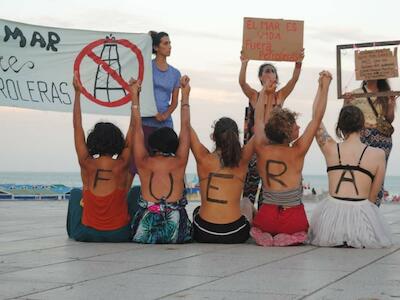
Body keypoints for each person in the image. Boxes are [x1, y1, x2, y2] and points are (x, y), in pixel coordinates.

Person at [251, 71, 331, 247]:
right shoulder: (298, 150)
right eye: (295, 125)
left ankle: (266, 234)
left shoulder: (262, 150)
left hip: (267, 216)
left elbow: (257, 119)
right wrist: (324, 87)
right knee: (302, 229)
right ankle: (291, 236)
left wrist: (264, 91)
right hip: (292, 216)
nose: (299, 126)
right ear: (287, 132)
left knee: (261, 222)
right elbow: (317, 119)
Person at [309, 105, 392, 248]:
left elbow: (316, 118)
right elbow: (372, 198)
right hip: (362, 219)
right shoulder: (378, 154)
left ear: (340, 127)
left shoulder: (330, 148)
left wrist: (324, 85)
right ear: (363, 125)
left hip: (330, 224)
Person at [66, 73, 134, 242]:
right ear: (118, 141)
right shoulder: (122, 163)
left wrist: (77, 93)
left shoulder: (86, 162)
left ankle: (73, 231)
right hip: (120, 234)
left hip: (87, 233)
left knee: (75, 193)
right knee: (135, 192)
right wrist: (135, 98)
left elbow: (77, 126)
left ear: (93, 140)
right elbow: (134, 129)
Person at [129, 75, 192, 244]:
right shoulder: (179, 161)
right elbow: (186, 128)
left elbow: (137, 129)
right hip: (175, 227)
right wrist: (185, 96)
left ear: (153, 144)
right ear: (174, 144)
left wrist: (135, 97)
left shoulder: (143, 161)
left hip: (145, 227)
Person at [239, 50, 304, 209]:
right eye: (266, 71)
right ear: (261, 78)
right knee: (250, 188)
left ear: (276, 77)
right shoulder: (255, 96)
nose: (270, 73)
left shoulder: (280, 95)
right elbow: (242, 83)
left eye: (272, 71)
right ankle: (247, 219)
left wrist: (298, 63)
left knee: (269, 185)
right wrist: (245, 63)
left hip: (276, 148)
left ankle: (263, 216)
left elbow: (294, 80)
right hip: (257, 148)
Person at [190, 117, 254, 243]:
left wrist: (185, 102)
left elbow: (186, 127)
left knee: (197, 210)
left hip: (203, 232)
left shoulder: (203, 158)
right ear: (237, 137)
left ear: (213, 137)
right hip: (235, 233)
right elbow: (260, 134)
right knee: (246, 202)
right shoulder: (242, 160)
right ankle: (258, 228)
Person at [130, 31, 181, 177]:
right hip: (146, 121)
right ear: (156, 47)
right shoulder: (146, 68)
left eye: (170, 43)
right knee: (136, 163)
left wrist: (164, 115)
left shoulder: (175, 73)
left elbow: (175, 102)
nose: (169, 46)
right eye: (166, 43)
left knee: (166, 165)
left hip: (165, 125)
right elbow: (141, 92)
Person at [343, 79, 397, 205]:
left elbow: (389, 119)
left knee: (378, 176)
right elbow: (346, 116)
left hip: (382, 138)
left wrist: (391, 103)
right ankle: (357, 205)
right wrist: (346, 102)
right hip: (361, 136)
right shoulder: (356, 93)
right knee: (359, 174)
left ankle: (373, 209)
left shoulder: (385, 93)